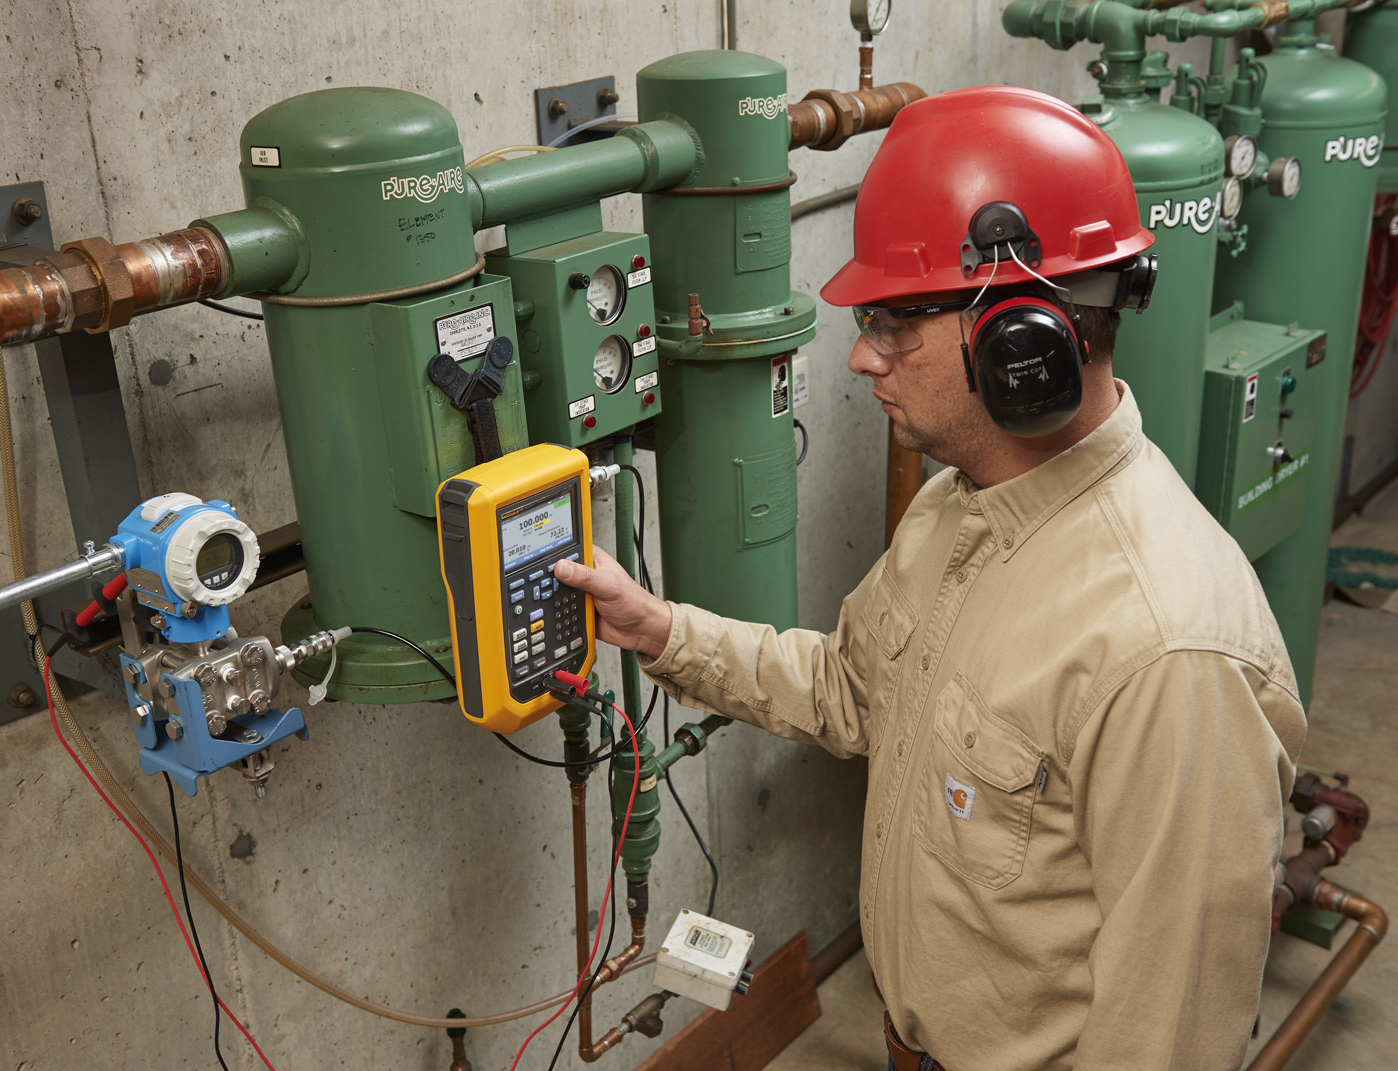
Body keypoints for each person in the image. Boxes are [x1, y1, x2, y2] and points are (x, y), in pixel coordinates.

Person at [555, 86, 1306, 1071]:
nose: (863, 358)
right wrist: (662, 631)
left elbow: (1168, 1040)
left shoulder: (1167, 650)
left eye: (894, 321)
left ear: (1022, 337)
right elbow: (854, 689)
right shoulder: (957, 504)